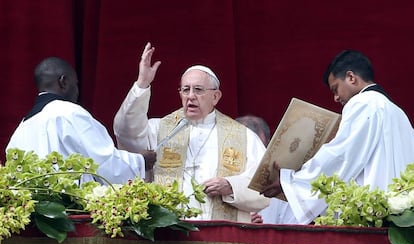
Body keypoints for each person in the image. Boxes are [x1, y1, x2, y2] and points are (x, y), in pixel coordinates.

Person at [113, 42, 269, 222]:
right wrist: (142, 83)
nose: (191, 96)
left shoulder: (244, 137)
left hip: (220, 239)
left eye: (198, 90)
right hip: (170, 237)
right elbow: (125, 130)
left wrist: (231, 186)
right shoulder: (159, 129)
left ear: (216, 96)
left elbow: (264, 188)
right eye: (185, 89)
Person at [261, 50, 414, 225]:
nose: (335, 97)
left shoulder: (362, 103)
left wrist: (292, 180)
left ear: (351, 77)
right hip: (402, 215)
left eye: (335, 89)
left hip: (371, 214)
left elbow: (341, 155)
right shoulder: (397, 112)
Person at [6, 57, 156, 184]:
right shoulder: (68, 113)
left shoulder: (20, 130)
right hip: (73, 213)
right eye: (76, 84)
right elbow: (104, 163)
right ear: (63, 82)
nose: (77, 91)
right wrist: (141, 161)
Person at [236, 115, 297, 224]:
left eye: (257, 148)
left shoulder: (280, 185)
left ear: (269, 147)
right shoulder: (218, 180)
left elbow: (292, 231)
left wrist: (263, 232)